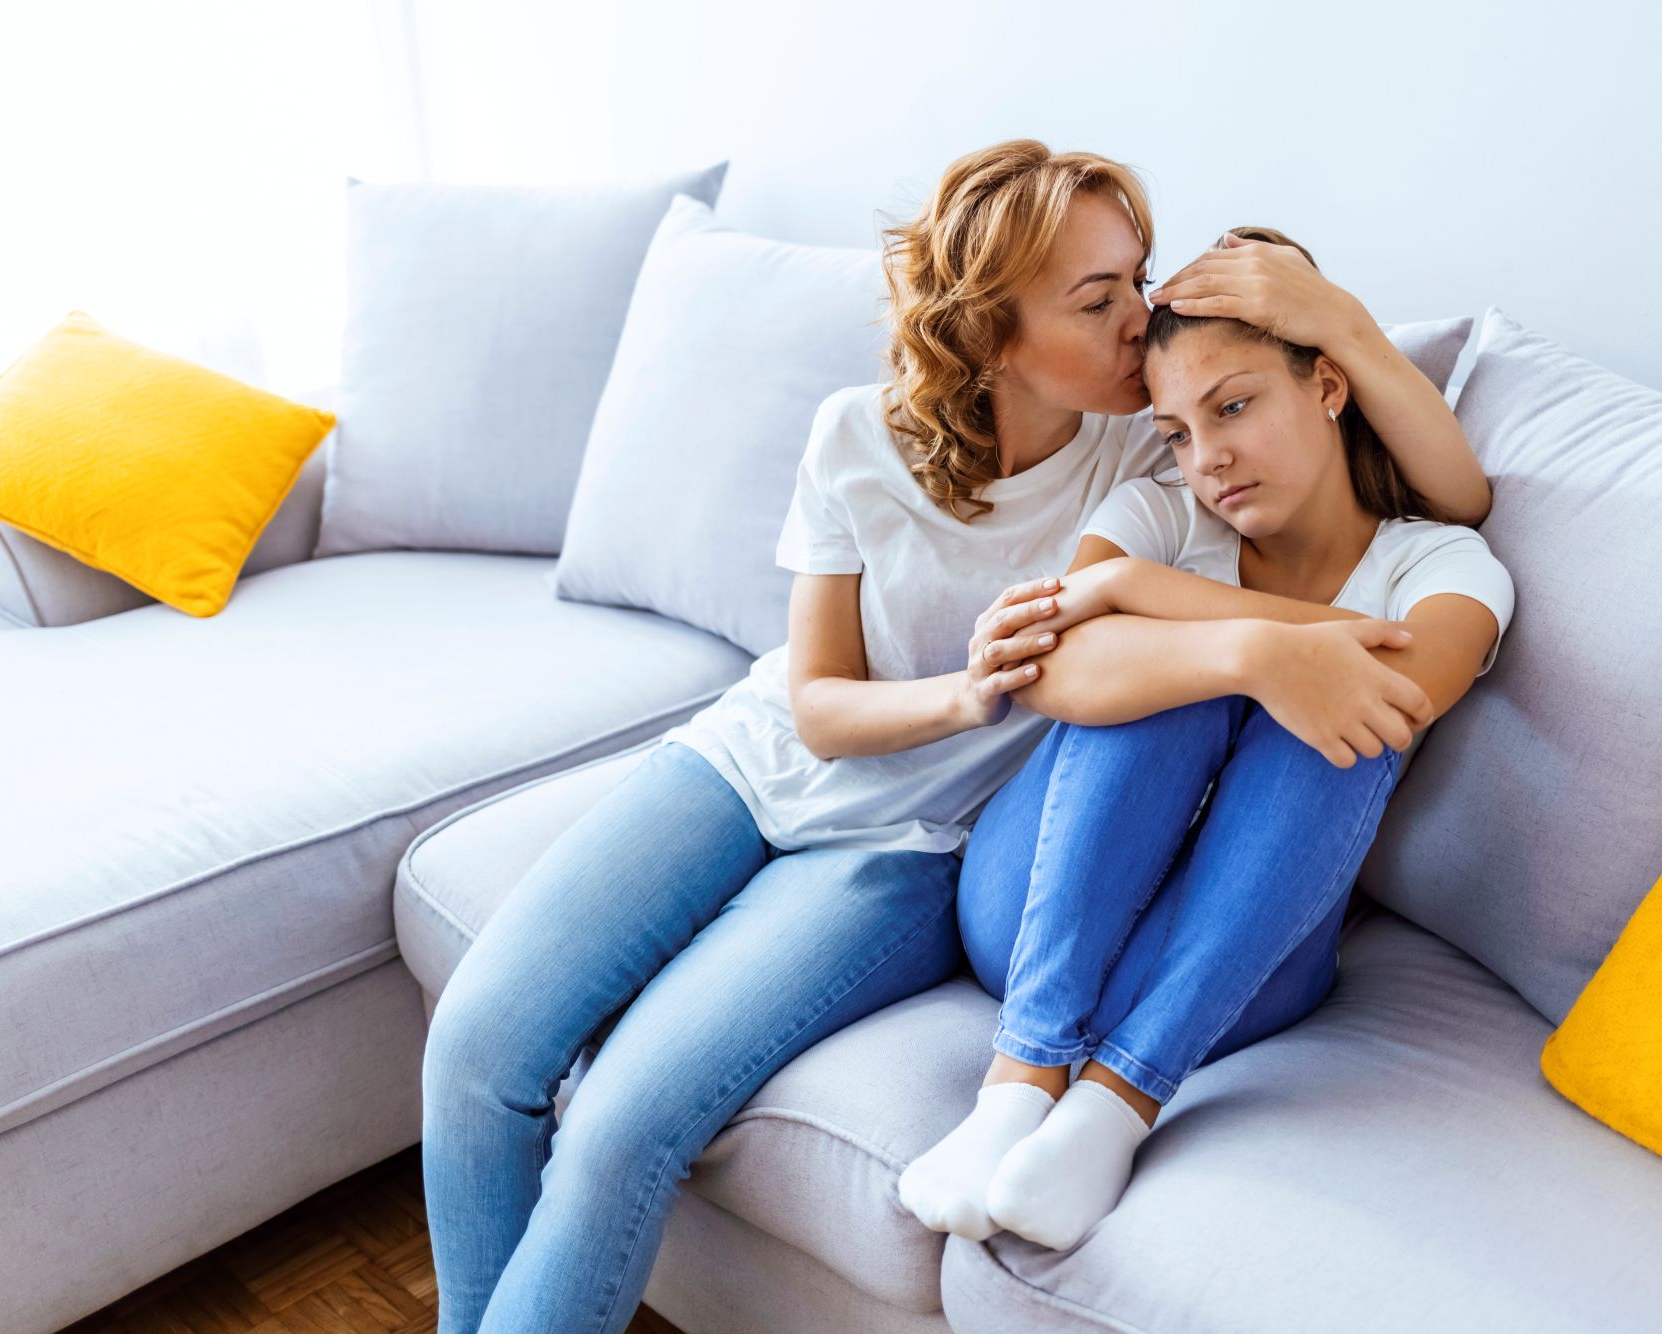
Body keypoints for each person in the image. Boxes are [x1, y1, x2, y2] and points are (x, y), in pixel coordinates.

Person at [419, 143, 1490, 1333]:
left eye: (1134, 279)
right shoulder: (858, 436)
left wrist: (1334, 319)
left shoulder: (1160, 444)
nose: (1141, 322)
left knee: (623, 1121)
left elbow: (1453, 498)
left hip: (916, 845)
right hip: (757, 759)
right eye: (1098, 301)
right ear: (988, 331)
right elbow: (818, 702)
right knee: (476, 1047)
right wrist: (966, 695)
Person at [897, 226, 1515, 1252]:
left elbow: (1402, 689)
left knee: (1338, 715)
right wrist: (1233, 649)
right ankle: (1020, 1080)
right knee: (1161, 678)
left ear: (1325, 386)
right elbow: (1052, 672)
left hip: (1237, 967)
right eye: (1177, 432)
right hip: (1038, 913)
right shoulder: (1155, 513)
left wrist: (1163, 607)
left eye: (1233, 407)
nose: (1207, 459)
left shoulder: (1438, 562)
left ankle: (1116, 1102)